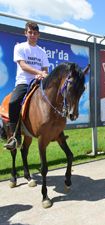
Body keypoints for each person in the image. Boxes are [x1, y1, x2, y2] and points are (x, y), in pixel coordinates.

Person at [4, 21, 50, 150]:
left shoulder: (42, 52)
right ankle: (15, 136)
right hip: (24, 82)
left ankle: (57, 131)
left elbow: (45, 69)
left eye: (35, 33)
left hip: (39, 82)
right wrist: (39, 72)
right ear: (26, 33)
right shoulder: (20, 47)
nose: (32, 35)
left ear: (38, 35)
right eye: (30, 32)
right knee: (13, 102)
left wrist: (42, 74)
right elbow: (23, 65)